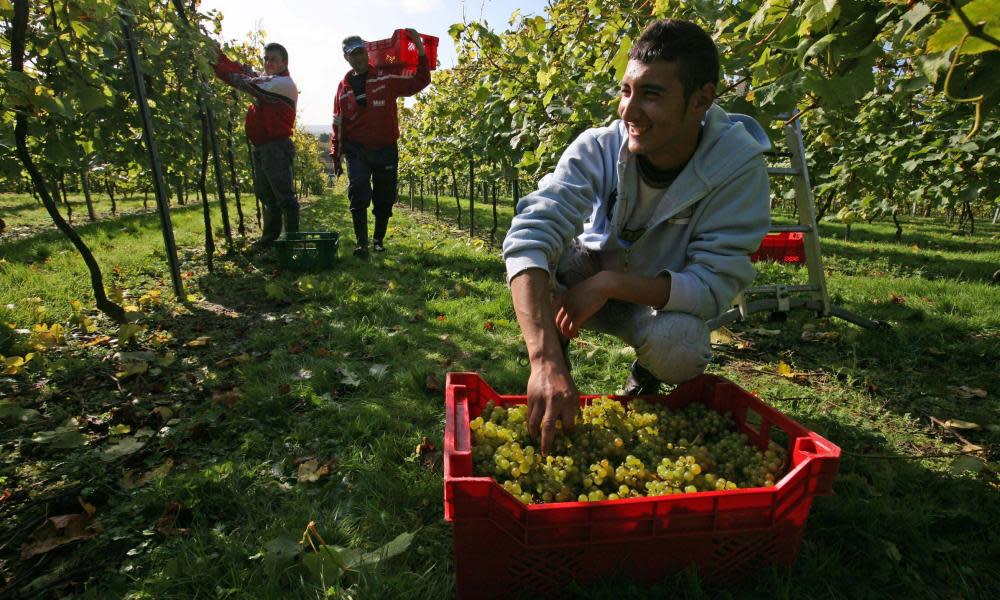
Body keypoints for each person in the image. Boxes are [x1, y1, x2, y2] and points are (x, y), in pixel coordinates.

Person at [503, 19, 771, 455]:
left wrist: (611, 285)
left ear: (701, 100)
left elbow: (714, 285)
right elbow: (531, 234)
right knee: (539, 268)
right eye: (626, 90)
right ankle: (557, 366)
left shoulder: (738, 171)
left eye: (651, 94)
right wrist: (543, 359)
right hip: (582, 276)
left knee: (681, 348)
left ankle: (647, 374)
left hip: (652, 297)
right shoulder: (599, 146)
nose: (627, 111)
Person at [329, 29, 431, 256]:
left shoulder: (386, 78)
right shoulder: (342, 88)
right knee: (358, 191)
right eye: (352, 54)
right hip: (357, 150)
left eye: (360, 52)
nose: (358, 57)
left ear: (367, 52)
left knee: (385, 197)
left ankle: (378, 240)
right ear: (346, 58)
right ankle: (361, 243)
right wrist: (336, 156)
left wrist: (420, 49)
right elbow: (338, 123)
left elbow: (421, 80)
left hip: (386, 148)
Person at [212, 42, 300, 247]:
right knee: (266, 194)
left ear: (284, 62)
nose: (268, 63)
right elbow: (247, 71)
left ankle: (292, 241)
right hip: (264, 147)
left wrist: (216, 64)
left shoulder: (283, 84)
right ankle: (270, 239)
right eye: (265, 59)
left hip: (276, 147)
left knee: (284, 197)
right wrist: (221, 57)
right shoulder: (270, 79)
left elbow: (243, 81)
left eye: (273, 59)